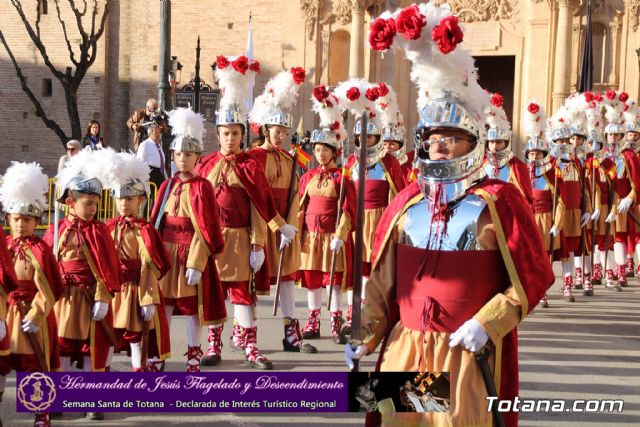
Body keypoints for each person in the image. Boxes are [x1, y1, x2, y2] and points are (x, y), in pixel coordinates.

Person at [346, 5, 553, 426]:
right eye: (433, 138)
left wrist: (489, 322)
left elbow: (531, 278)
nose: (439, 145)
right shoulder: (406, 201)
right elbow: (382, 284)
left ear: (471, 141)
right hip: (406, 347)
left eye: (452, 138)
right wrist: (365, 332)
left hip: (465, 351)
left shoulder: (500, 200)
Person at [196, 56, 298, 369]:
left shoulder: (250, 166)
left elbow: (259, 206)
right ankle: (213, 345)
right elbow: (197, 207)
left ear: (243, 136)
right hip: (211, 242)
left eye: (235, 134)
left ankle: (251, 348)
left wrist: (257, 244)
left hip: (240, 241)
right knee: (214, 295)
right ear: (218, 135)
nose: (230, 139)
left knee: (241, 294)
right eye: (225, 133)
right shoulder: (206, 165)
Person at [44, 148, 122, 421]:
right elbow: (46, 265)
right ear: (70, 202)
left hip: (90, 297)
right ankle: (58, 398)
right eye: (86, 202)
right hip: (64, 298)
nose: (92, 208)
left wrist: (103, 297)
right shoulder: (57, 230)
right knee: (62, 345)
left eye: (95, 202)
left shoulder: (100, 230)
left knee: (93, 347)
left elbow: (110, 267)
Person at [150, 107, 227, 373]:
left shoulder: (202, 186)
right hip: (167, 254)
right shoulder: (166, 185)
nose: (183, 159)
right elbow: (156, 223)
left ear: (197, 157)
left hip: (190, 253)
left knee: (192, 306)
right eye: (179, 154)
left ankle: (194, 355)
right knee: (165, 306)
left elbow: (206, 227)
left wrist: (196, 261)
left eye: (189, 154)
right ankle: (159, 353)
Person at [248, 67, 315, 354]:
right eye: (276, 131)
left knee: (286, 280)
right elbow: (254, 197)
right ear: (266, 130)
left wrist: (289, 227)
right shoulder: (254, 157)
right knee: (252, 279)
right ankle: (245, 332)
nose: (281, 136)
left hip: (284, 228)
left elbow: (295, 195)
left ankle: (291, 333)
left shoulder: (290, 160)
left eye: (284, 132)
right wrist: (264, 231)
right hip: (260, 224)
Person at [335, 79, 405, 336]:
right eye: (363, 135)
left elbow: (398, 198)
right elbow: (346, 199)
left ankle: (375, 316)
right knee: (358, 272)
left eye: (372, 136)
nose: (367, 139)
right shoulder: (351, 162)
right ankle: (355, 316)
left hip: (380, 224)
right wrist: (341, 232)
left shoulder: (390, 163)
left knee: (378, 271)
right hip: (357, 224)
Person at [0, 162, 63, 427]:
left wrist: (37, 314)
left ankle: (41, 414)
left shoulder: (41, 250)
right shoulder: (3, 247)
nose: (21, 224)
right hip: (7, 313)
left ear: (37, 221)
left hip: (33, 316)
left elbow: (50, 286)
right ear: (8, 219)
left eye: (27, 219)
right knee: (2, 365)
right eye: (16, 219)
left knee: (34, 364)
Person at [297, 87, 355, 345]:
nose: (320, 153)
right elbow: (300, 206)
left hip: (331, 236)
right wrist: (293, 233)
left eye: (325, 150)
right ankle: (312, 321)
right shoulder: (308, 176)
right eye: (317, 149)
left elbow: (348, 208)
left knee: (331, 281)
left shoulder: (342, 178)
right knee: (312, 281)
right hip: (311, 237)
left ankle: (335, 322)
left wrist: (341, 235)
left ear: (334, 151)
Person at [105, 152, 172, 372]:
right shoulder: (107, 228)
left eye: (129, 198)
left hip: (135, 290)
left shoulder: (144, 230)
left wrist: (148, 298)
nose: (123, 203)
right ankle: (100, 375)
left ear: (140, 200)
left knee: (135, 336)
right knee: (106, 335)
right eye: (119, 198)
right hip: (112, 292)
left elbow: (148, 267)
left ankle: (138, 373)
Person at [523, 101, 568, 307]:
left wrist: (557, 223)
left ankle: (543, 291)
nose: (534, 157)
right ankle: (531, 288)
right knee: (528, 257)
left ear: (544, 155)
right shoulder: (522, 175)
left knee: (544, 258)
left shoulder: (552, 175)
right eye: (531, 154)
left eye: (538, 154)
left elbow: (560, 201)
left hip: (546, 219)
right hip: (528, 220)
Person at [548, 105, 592, 302]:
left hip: (574, 213)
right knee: (553, 250)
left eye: (566, 141)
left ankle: (568, 284)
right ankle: (544, 288)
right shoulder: (550, 165)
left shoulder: (577, 163)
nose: (564, 144)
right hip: (556, 214)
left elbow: (585, 189)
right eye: (560, 141)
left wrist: (588, 210)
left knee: (572, 250)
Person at [602, 90, 640, 289]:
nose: (614, 137)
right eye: (611, 134)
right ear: (606, 135)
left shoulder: (629, 155)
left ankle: (624, 269)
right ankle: (617, 269)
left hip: (626, 199)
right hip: (607, 201)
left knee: (627, 234)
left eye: (618, 134)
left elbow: (636, 181)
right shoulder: (599, 155)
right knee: (613, 236)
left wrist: (630, 198)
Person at [483, 92, 534, 206]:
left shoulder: (518, 167)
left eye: (499, 142)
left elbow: (526, 202)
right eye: (491, 142)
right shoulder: (481, 166)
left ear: (506, 143)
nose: (494, 147)